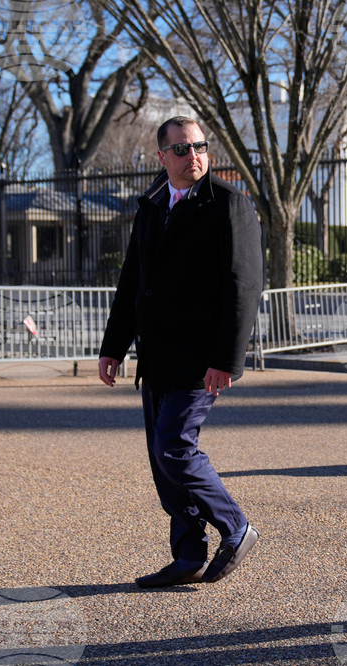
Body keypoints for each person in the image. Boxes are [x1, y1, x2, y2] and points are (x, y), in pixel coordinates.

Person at [98, 116, 263, 587]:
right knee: (160, 458)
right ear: (161, 157)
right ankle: (189, 553)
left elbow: (244, 285)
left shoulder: (228, 203)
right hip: (158, 355)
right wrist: (114, 347)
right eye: (183, 149)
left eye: (200, 147)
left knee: (174, 448)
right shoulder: (152, 204)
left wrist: (227, 359)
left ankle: (236, 526)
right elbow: (134, 280)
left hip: (201, 357)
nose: (194, 156)